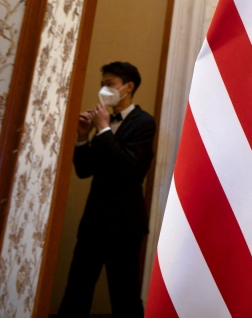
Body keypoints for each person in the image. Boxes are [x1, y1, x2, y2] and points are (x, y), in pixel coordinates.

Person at [58, 61, 156, 318]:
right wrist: (82, 137)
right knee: (76, 293)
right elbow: (84, 170)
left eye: (109, 84)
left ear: (128, 87)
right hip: (93, 222)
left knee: (124, 297)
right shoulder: (104, 122)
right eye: (102, 85)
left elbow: (129, 170)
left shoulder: (144, 122)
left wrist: (102, 129)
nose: (103, 90)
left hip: (125, 226)